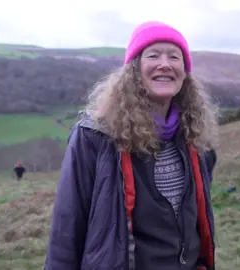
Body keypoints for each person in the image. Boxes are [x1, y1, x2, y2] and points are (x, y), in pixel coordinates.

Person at [44, 21, 219, 270]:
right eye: (153, 55)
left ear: (184, 71)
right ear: (134, 69)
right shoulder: (96, 136)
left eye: (174, 56)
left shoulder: (196, 137)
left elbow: (196, 222)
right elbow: (67, 228)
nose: (165, 64)